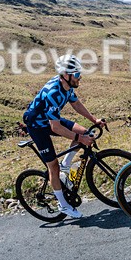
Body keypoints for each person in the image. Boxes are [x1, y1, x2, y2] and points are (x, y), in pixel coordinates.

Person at [23, 54, 106, 218]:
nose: (79, 76)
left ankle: (66, 166)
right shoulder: (53, 92)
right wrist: (80, 139)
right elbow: (56, 127)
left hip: (49, 120)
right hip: (36, 125)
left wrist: (93, 120)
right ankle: (63, 205)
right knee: (53, 166)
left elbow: (76, 104)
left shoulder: (67, 86)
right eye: (76, 74)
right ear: (66, 75)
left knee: (85, 132)